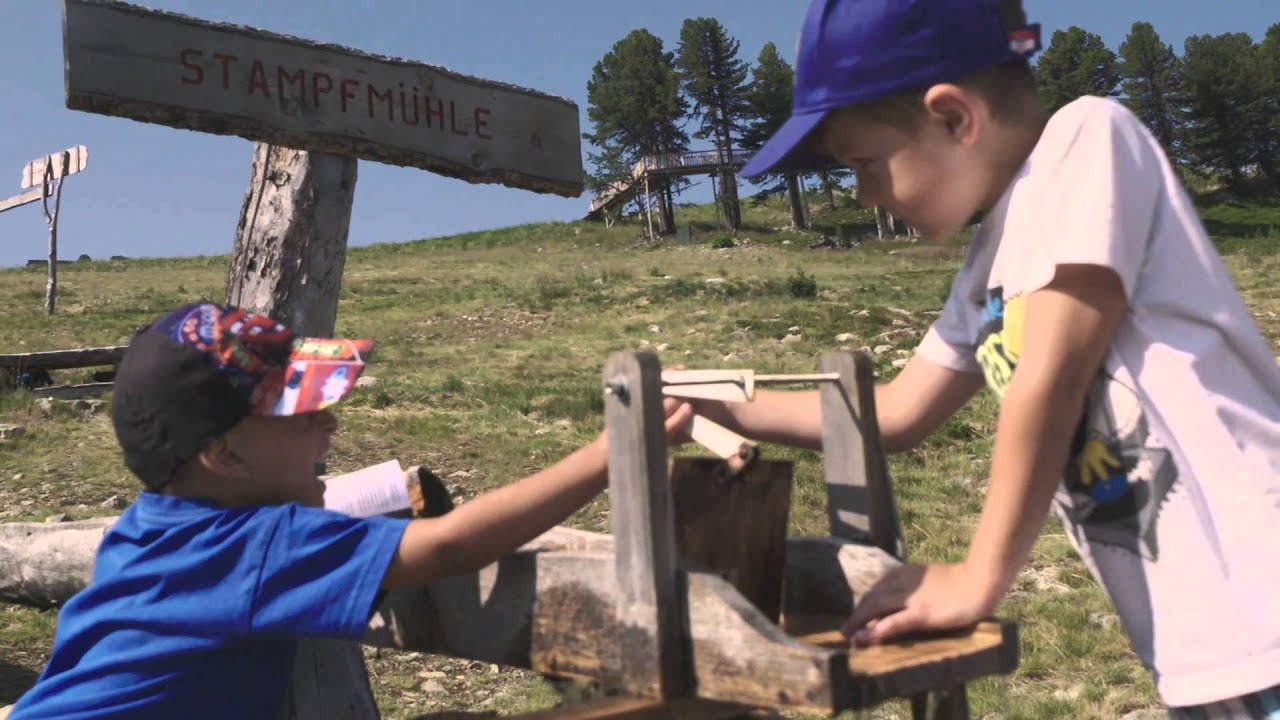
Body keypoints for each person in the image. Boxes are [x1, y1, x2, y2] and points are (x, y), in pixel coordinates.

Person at [707, 0, 1280, 715]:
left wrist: (979, 577)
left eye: (865, 163)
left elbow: (1053, 375)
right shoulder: (989, 269)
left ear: (953, 118)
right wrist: (720, 405)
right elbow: (897, 412)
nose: (863, 193)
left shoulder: (1087, 139)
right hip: (1206, 653)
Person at [6, 302, 692, 719]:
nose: (331, 428)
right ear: (227, 457)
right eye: (305, 414)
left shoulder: (147, 530)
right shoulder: (261, 547)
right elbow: (452, 547)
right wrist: (613, 451)